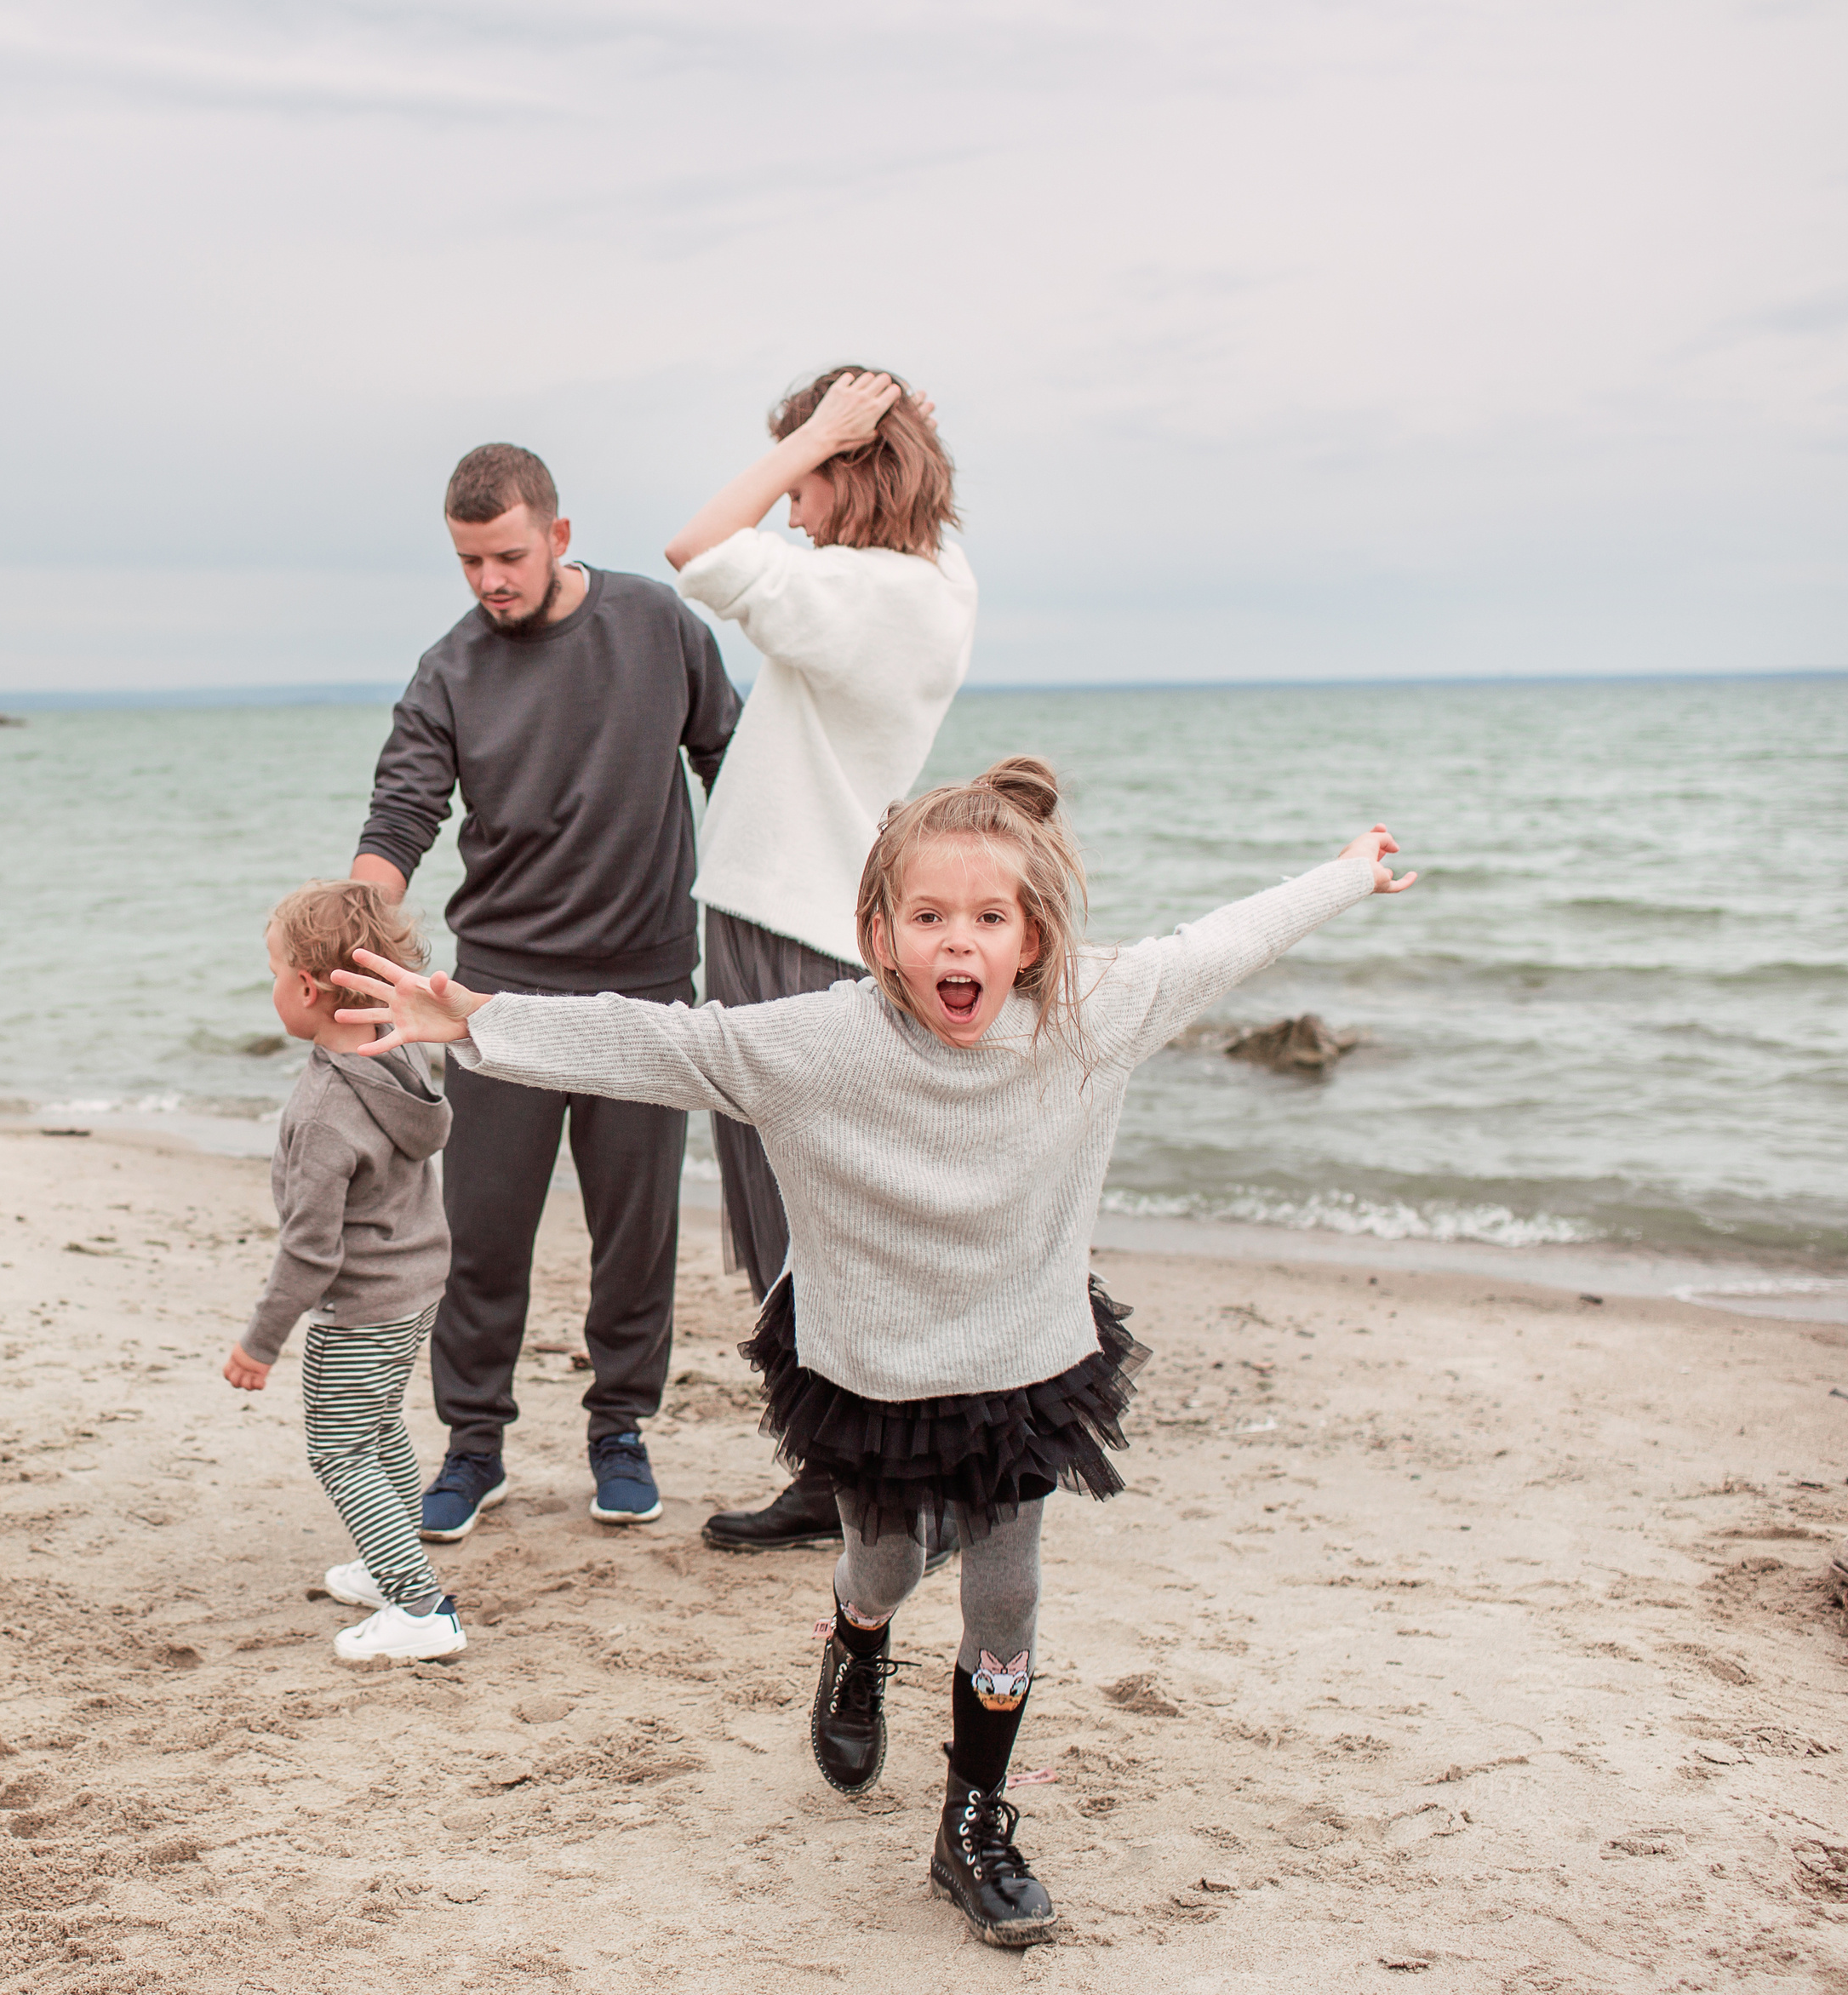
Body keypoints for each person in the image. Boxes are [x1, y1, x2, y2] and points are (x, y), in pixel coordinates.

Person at [334, 757, 1416, 1945]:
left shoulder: (1094, 1013)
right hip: (870, 1363)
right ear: (879, 932)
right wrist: (476, 1021)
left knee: (1007, 1587)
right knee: (885, 1565)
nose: (961, 943)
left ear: (1032, 935)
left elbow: (1223, 942)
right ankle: (856, 1641)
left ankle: (973, 1824)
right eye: (930, 916)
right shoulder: (816, 1045)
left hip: (1021, 1362)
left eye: (990, 918)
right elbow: (658, 1042)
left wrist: (1348, 875)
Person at [351, 444, 742, 1539]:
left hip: (646, 983)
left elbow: (732, 759)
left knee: (635, 1232)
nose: (490, 580)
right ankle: (473, 1446)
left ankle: (620, 1429)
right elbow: (402, 814)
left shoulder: (655, 623)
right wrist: (355, 922)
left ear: (558, 537)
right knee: (481, 1233)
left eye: (508, 556)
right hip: (498, 992)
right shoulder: (450, 668)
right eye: (469, 561)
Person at [663, 366, 977, 1557]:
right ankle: (845, 1466)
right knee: (817, 1204)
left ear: (852, 472)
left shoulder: (863, 593)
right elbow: (918, 526)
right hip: (813, 917)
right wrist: (875, 436)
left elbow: (697, 546)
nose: (792, 510)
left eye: (809, 482)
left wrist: (820, 438)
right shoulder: (936, 583)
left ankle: (863, 1479)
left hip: (784, 921)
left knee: (793, 1208)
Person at [220, 881, 466, 1664]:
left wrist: (260, 1342)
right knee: (379, 1425)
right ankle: (386, 1560)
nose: (270, 987)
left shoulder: (325, 1111)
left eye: (272, 973)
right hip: (418, 1285)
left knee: (338, 1446)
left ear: (304, 988)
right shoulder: (401, 1053)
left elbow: (310, 1251)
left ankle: (418, 1608)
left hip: (360, 1306)